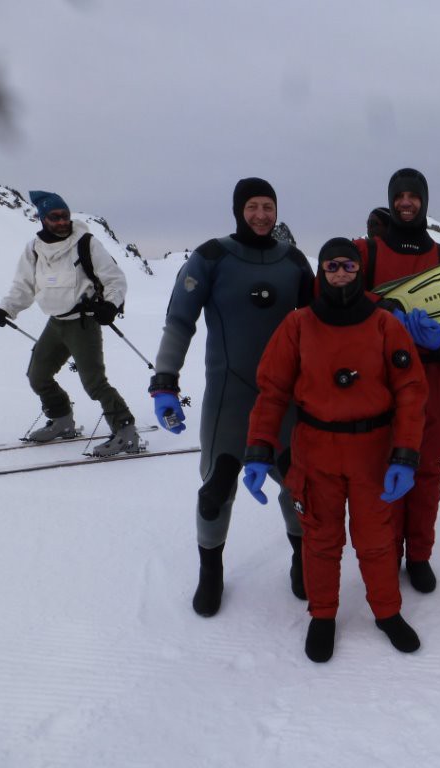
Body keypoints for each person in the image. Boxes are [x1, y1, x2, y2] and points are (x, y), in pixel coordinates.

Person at [243, 238, 428, 662]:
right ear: (320, 272)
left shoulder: (385, 325)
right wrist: (258, 449)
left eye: (347, 265)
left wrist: (405, 454)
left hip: (372, 450)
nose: (340, 273)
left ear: (359, 271)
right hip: (316, 449)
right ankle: (323, 614)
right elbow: (271, 392)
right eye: (331, 266)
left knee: (376, 539)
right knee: (320, 539)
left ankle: (386, 611)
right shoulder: (298, 326)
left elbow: (411, 392)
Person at [148, 177, 314, 617]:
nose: (261, 215)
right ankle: (211, 574)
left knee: (300, 487)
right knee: (214, 492)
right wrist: (165, 380)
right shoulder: (212, 257)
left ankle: (302, 562)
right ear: (239, 210)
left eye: (269, 207)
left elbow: (327, 322)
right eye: (253, 207)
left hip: (284, 401)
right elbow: (179, 320)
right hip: (229, 398)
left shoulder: (294, 262)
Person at [353, 168, 440, 593]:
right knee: (384, 473)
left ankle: (420, 555)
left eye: (414, 196)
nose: (407, 203)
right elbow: (330, 288)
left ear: (424, 202)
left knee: (426, 474)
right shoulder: (365, 253)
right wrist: (381, 307)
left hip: (431, 380)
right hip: (379, 381)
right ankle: (388, 554)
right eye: (400, 196)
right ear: (391, 201)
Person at [0, 190, 138, 457]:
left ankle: (126, 432)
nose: (61, 222)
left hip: (83, 323)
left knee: (94, 383)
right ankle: (62, 420)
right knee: (37, 376)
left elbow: (115, 279)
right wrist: (5, 309)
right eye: (55, 217)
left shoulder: (86, 243)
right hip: (56, 323)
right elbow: (23, 286)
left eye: (65, 216)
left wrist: (110, 305)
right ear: (42, 218)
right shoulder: (34, 248)